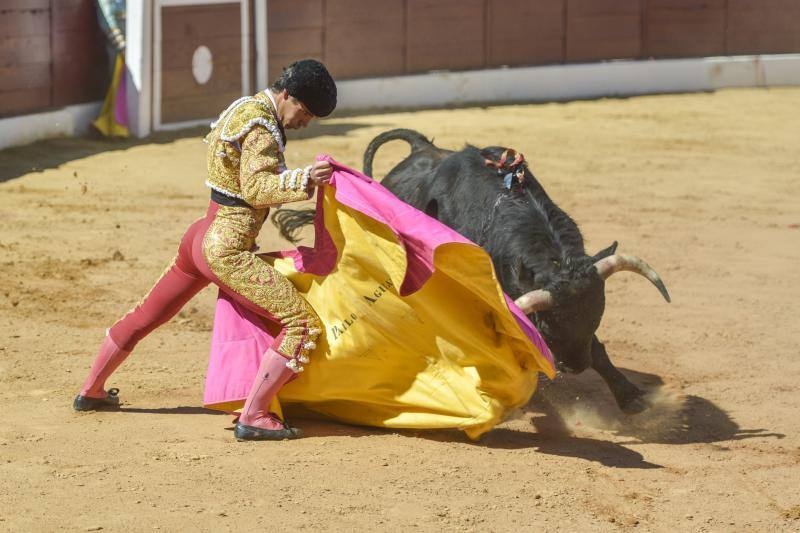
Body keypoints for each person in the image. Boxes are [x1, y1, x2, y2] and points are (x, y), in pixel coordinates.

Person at [74, 59, 338, 441]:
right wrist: (304, 179)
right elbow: (257, 189)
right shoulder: (263, 129)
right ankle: (255, 415)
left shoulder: (244, 107)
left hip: (199, 236)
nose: (305, 121)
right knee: (302, 323)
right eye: (305, 111)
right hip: (226, 248)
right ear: (286, 96)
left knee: (147, 314)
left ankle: (91, 390)